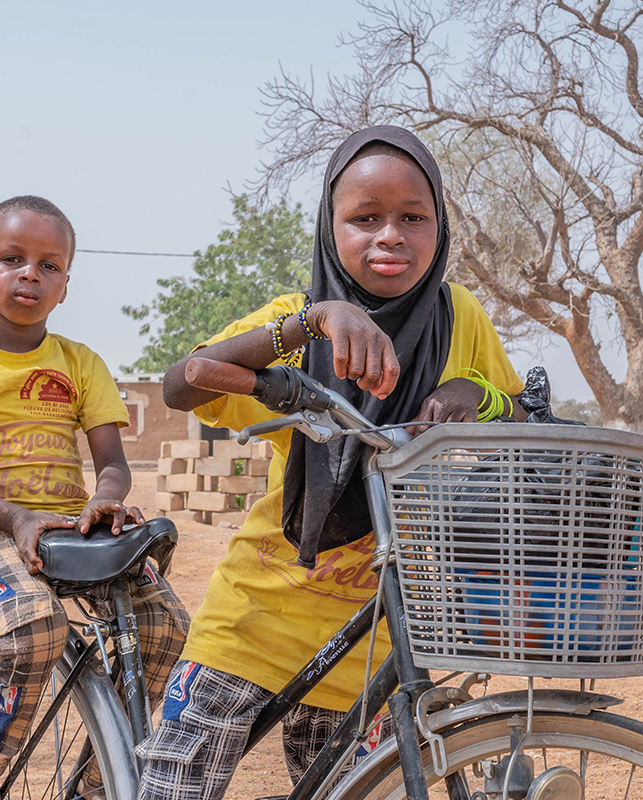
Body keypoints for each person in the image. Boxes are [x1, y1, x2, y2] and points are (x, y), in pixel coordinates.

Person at [136, 126, 526, 800]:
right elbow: (182, 385)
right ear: (329, 226)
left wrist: (476, 393)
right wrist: (313, 322)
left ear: (440, 226)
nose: (390, 236)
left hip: (377, 634)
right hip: (254, 621)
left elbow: (519, 414)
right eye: (364, 218)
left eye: (413, 217)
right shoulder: (298, 320)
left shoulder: (460, 318)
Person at [0, 195, 189, 800]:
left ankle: (96, 782)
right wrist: (16, 517)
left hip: (69, 529)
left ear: (65, 284)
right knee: (35, 624)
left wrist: (103, 502)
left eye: (49, 265)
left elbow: (111, 466)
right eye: (12, 258)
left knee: (167, 626)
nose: (31, 274)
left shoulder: (81, 363)